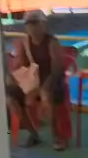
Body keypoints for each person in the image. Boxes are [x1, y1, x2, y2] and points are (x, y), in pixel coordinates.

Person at [6, 9, 68, 150]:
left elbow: (57, 68)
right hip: (33, 82)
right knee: (11, 97)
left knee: (47, 94)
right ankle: (33, 133)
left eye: (35, 23)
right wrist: (14, 77)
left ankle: (57, 136)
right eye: (29, 24)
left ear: (43, 25)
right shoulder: (25, 43)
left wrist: (45, 86)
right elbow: (21, 66)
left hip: (53, 81)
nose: (33, 27)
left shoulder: (52, 42)